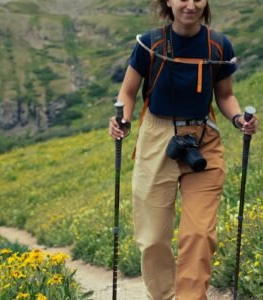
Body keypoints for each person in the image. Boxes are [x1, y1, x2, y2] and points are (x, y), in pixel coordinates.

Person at [108, 0, 259, 299]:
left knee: (199, 233)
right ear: (168, 2)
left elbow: (225, 95)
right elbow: (128, 92)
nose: (190, 5)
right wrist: (121, 120)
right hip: (157, 136)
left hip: (203, 138)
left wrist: (239, 118)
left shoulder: (219, 46)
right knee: (153, 238)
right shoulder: (149, 44)